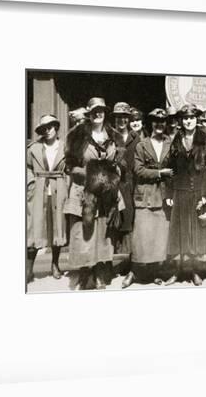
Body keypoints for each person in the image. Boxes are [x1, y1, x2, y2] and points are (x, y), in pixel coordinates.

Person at [63, 97, 124, 290]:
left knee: (103, 235)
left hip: (106, 193)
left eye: (101, 110)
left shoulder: (114, 136)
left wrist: (114, 175)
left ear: (105, 113)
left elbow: (120, 163)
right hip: (84, 192)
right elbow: (69, 166)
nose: (98, 114)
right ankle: (85, 274)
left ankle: (100, 273)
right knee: (83, 234)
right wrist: (90, 175)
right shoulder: (77, 135)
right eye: (94, 111)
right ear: (88, 113)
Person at [165, 104, 206, 286]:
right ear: (181, 121)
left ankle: (196, 271)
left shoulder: (205, 141)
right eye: (185, 118)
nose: (188, 121)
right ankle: (179, 271)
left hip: (197, 192)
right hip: (180, 193)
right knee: (180, 234)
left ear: (197, 120)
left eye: (192, 118)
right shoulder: (176, 140)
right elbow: (171, 169)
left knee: (196, 234)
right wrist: (170, 192)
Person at [122, 108, 174, 288]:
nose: (159, 124)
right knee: (141, 237)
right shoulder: (142, 144)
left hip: (164, 195)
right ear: (150, 123)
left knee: (160, 237)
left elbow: (177, 169)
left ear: (166, 124)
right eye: (155, 121)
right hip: (144, 194)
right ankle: (134, 271)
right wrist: (160, 172)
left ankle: (155, 273)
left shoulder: (171, 143)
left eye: (162, 121)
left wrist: (172, 193)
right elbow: (138, 170)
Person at [26, 114, 68, 285]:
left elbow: (71, 168)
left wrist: (67, 185)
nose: (48, 130)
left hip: (58, 189)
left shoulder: (65, 147)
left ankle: (55, 265)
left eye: (51, 126)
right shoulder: (33, 148)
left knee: (57, 227)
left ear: (56, 127)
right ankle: (28, 269)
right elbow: (27, 167)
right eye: (44, 128)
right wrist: (31, 184)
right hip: (39, 189)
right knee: (34, 228)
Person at [110, 102, 140, 257]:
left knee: (130, 218)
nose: (122, 121)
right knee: (114, 219)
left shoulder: (136, 138)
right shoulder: (109, 136)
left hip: (132, 183)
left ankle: (129, 259)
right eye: (118, 117)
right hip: (114, 183)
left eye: (125, 118)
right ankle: (110, 260)